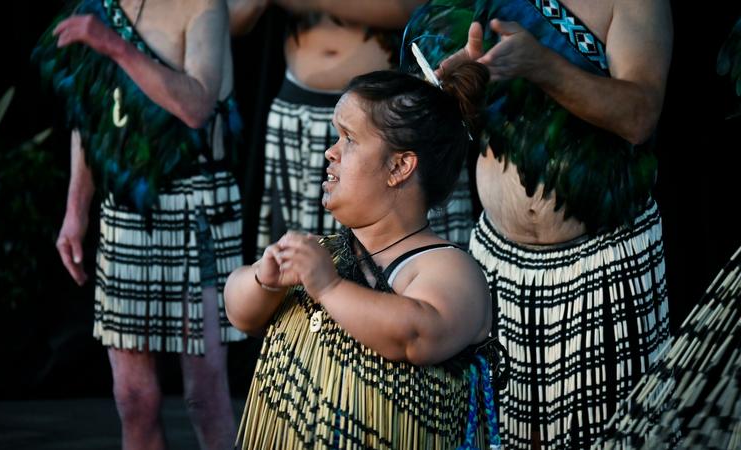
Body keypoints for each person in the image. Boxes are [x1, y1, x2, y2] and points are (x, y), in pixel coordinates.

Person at [405, 0, 673, 448]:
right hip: (497, 265)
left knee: (608, 437)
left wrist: (542, 64)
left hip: (604, 268)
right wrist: (459, 84)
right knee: (501, 434)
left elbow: (639, 114)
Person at [225, 62, 505, 449]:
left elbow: (416, 335)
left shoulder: (446, 267)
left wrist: (328, 286)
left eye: (349, 139)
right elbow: (240, 314)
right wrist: (263, 281)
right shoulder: (323, 254)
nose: (331, 151)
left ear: (399, 166)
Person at [33, 0, 243, 448]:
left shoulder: (204, 7)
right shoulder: (103, 7)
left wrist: (112, 45)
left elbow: (196, 106)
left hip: (198, 204)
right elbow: (89, 115)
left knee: (204, 396)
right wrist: (76, 210)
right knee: (133, 397)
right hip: (125, 207)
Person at [229, 0, 475, 254]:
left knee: (402, 251)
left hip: (385, 126)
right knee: (298, 256)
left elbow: (410, 7)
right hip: (298, 111)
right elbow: (234, 18)